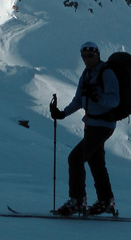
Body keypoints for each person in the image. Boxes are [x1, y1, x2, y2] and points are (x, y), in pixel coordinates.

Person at [49, 41, 120, 216]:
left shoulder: (107, 73)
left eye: (90, 56)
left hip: (103, 125)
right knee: (96, 163)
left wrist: (98, 97)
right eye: (84, 57)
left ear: (97, 55)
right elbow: (79, 100)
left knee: (75, 158)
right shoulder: (86, 74)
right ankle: (105, 200)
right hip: (91, 124)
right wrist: (62, 113)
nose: (87, 60)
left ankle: (78, 200)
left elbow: (114, 100)